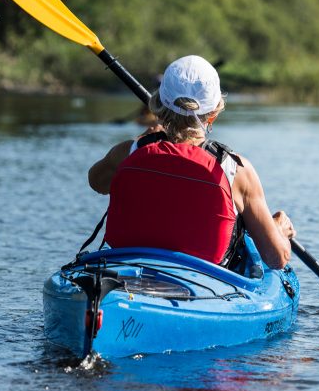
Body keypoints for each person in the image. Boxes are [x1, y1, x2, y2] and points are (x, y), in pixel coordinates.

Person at [87, 55, 295, 271]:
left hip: (125, 274)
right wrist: (279, 230)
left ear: (158, 104)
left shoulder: (129, 152)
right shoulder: (236, 171)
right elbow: (276, 258)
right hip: (202, 282)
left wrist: (143, 146)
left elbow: (96, 182)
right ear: (213, 114)